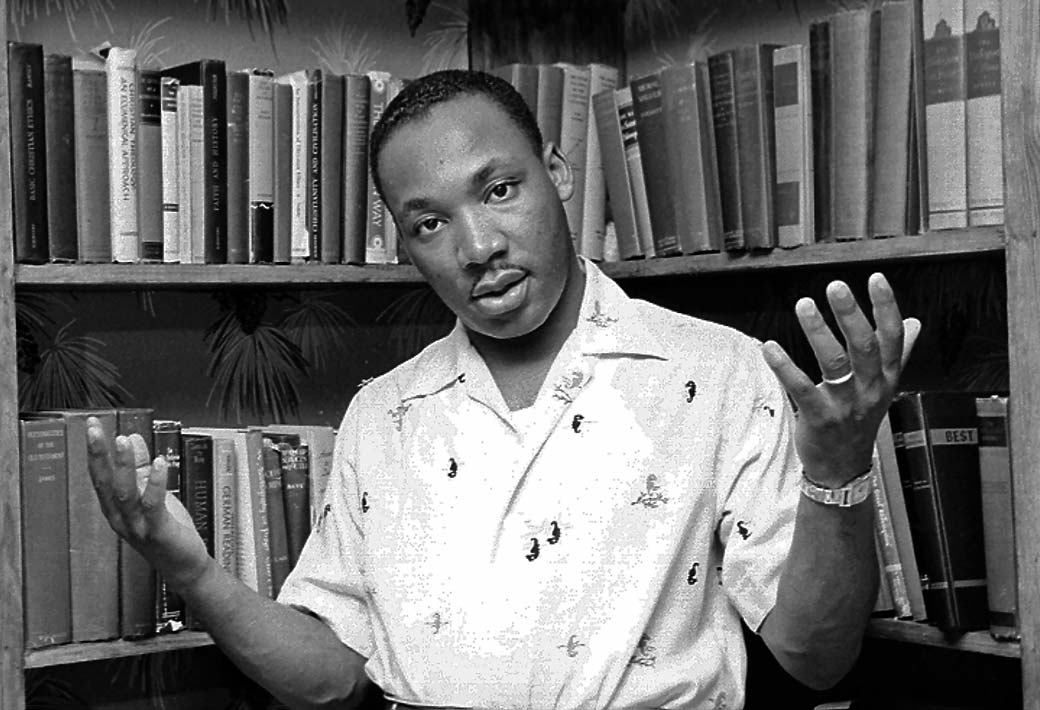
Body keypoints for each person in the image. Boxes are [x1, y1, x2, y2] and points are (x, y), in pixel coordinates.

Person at [87, 69, 920, 710]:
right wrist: (191, 571)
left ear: (556, 170)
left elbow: (817, 656)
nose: (477, 246)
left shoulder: (720, 372)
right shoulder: (384, 414)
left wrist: (838, 470)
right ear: (406, 244)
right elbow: (333, 678)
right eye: (430, 222)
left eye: (498, 190)